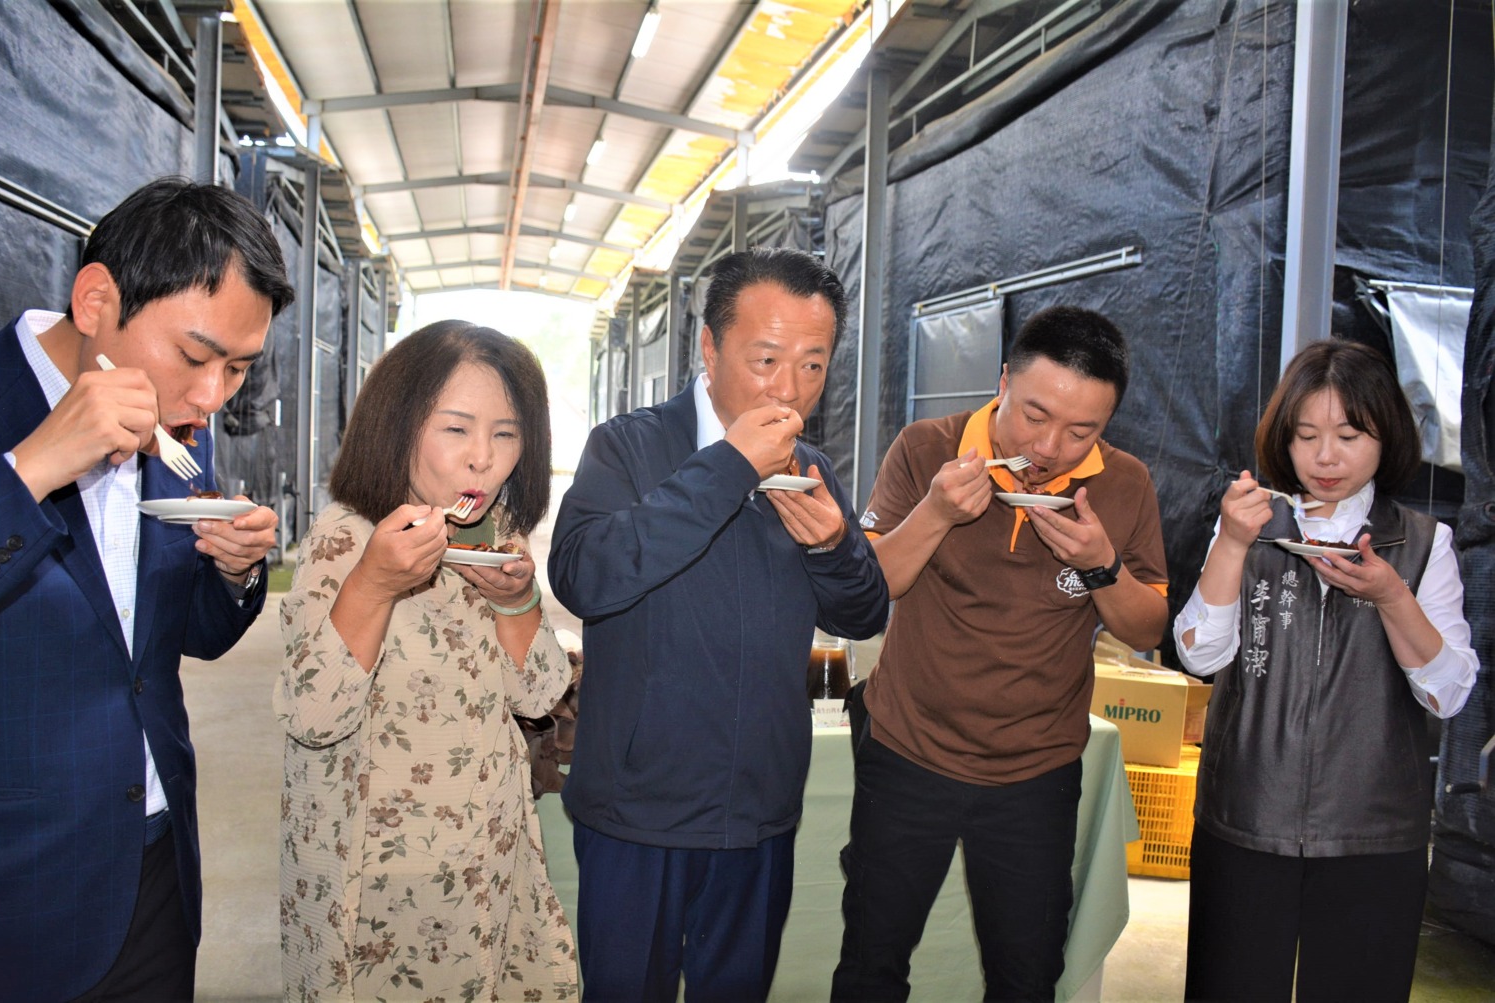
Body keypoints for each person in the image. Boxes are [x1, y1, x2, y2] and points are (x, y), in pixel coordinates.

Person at [548, 247, 889, 1001]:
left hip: (757, 813)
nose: (789, 388)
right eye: (766, 360)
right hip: (637, 813)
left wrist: (834, 546)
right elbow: (583, 577)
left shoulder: (812, 469)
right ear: (709, 348)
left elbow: (864, 611)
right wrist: (729, 466)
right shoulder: (628, 446)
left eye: (812, 364)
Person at [0, 176, 293, 1001]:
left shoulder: (180, 433)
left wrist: (232, 569)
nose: (210, 396)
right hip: (18, 881)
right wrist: (31, 470)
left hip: (155, 869)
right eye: (195, 357)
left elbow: (180, 635)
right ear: (96, 300)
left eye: (238, 368)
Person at [832, 306, 1170, 1002]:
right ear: (1004, 381)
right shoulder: (927, 447)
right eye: (1034, 415)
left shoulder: (1125, 483)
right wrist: (936, 512)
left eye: (1082, 431)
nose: (1049, 446)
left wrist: (1102, 564)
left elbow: (1147, 626)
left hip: (1036, 771)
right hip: (907, 752)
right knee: (871, 962)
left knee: (1026, 977)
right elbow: (872, 586)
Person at [275, 320, 578, 1001]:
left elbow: (539, 694)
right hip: (380, 877)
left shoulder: (496, 533)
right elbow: (312, 713)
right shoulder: (347, 537)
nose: (483, 459)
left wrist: (517, 600)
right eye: (456, 429)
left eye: (506, 434)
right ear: (398, 427)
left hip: (490, 856)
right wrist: (376, 583)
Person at [1174, 339, 1477, 1003]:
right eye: (1306, 436)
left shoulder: (1424, 543)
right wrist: (1232, 542)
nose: (1325, 457)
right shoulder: (1251, 524)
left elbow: (1449, 692)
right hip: (1246, 815)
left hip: (1374, 829)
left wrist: (1392, 596)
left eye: (1349, 435)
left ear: (1385, 436)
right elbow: (1200, 655)